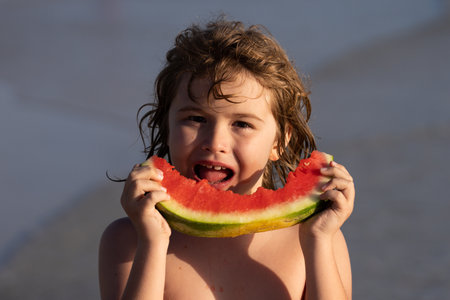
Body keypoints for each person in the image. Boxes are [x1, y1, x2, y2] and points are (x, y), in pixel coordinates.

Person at [99, 17, 355, 300]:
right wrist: (153, 242)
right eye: (196, 119)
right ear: (166, 126)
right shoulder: (128, 240)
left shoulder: (315, 239)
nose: (215, 143)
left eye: (242, 124)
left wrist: (317, 241)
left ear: (280, 141)